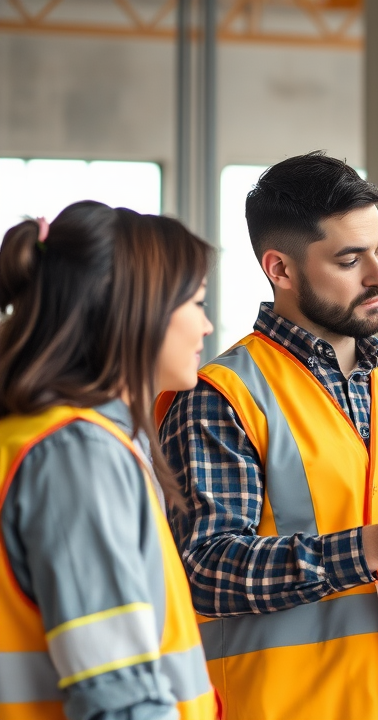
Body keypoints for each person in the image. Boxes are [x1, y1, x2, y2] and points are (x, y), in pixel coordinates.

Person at [157, 152, 378, 720]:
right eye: (349, 259)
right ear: (281, 270)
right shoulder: (221, 396)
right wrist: (373, 548)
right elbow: (203, 571)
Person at [0, 202, 219, 719]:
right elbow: (119, 700)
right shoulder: (78, 456)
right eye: (196, 303)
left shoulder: (56, 440)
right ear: (137, 310)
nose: (207, 326)